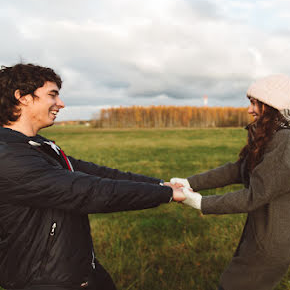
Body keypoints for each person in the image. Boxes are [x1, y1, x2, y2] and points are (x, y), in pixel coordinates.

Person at [0, 63, 186, 290]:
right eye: (52, 95)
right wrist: (166, 194)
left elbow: (93, 172)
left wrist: (158, 184)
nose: (61, 103)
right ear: (23, 97)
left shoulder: (37, 146)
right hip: (44, 281)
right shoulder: (8, 156)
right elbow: (89, 192)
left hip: (76, 271)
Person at [171, 74, 290, 290]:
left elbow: (255, 195)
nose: (249, 110)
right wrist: (190, 182)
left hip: (274, 241)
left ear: (271, 105)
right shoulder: (271, 134)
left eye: (255, 103)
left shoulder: (282, 140)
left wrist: (200, 203)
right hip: (263, 231)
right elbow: (238, 170)